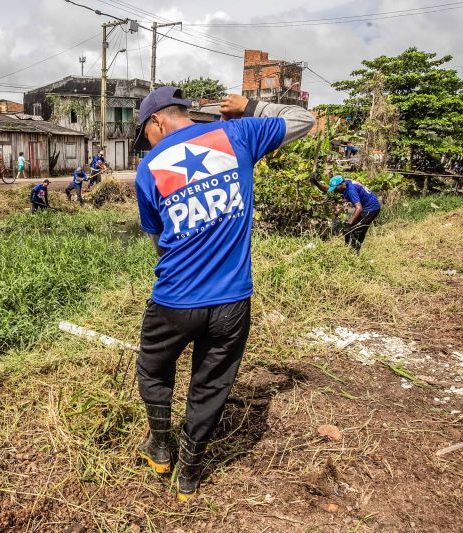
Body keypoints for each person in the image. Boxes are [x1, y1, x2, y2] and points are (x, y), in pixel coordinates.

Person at [132, 88, 314, 501]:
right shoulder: (239, 134)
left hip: (174, 299)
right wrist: (250, 107)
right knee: (211, 384)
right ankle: (190, 475)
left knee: (153, 368)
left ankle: (161, 448)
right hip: (233, 301)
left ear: (158, 120)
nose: (148, 143)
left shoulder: (149, 168)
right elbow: (305, 120)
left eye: (146, 133)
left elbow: (159, 239)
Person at [312, 174, 381, 252]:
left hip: (371, 209)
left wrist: (349, 223)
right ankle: (349, 250)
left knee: (355, 230)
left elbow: (359, 208)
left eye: (335, 188)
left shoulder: (351, 190)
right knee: (353, 229)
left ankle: (352, 253)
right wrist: (316, 184)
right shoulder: (345, 183)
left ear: (341, 184)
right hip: (367, 207)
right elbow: (327, 189)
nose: (335, 190)